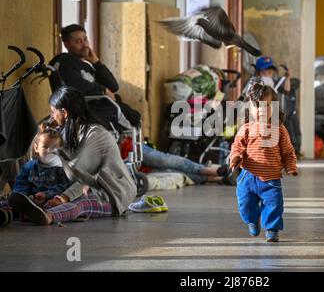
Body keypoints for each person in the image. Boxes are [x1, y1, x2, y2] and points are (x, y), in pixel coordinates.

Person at [51, 24, 227, 184]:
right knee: (162, 161)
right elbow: (79, 88)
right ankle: (214, 171)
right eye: (77, 41)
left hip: (118, 123)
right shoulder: (64, 63)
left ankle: (215, 175)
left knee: (160, 164)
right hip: (106, 122)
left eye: (85, 39)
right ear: (66, 44)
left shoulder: (87, 64)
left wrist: (96, 61)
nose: (84, 45)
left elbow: (113, 85)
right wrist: (103, 91)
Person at [8, 87, 137, 225]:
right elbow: (39, 156)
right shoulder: (67, 132)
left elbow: (84, 179)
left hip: (110, 194)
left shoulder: (96, 135)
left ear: (64, 113)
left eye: (53, 112)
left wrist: (62, 198)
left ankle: (48, 216)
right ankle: (8, 212)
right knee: (34, 198)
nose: (51, 117)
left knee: (80, 204)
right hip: (81, 188)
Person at [229, 83, 298, 243]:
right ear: (250, 107)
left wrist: (291, 166)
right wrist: (236, 157)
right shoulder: (246, 128)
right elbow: (237, 145)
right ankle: (252, 220)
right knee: (245, 205)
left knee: (274, 205)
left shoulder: (280, 130)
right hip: (247, 177)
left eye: (266, 106)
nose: (261, 110)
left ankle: (272, 230)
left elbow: (288, 151)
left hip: (271, 179)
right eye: (257, 106)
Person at [12, 123, 72, 208]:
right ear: (36, 148)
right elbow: (22, 183)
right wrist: (21, 196)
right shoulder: (29, 166)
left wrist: (46, 194)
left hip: (51, 199)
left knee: (61, 206)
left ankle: (39, 213)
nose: (49, 151)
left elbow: (63, 186)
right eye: (45, 147)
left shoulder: (62, 169)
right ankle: (11, 210)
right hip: (31, 199)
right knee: (10, 201)